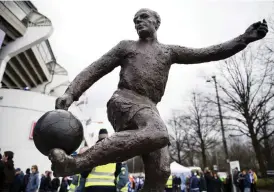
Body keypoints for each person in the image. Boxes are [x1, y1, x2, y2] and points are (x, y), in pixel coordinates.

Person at [49, 8, 268, 191]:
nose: (138, 22)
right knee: (159, 133)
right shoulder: (126, 47)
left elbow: (207, 52)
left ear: (157, 22)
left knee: (161, 171)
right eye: (135, 20)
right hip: (124, 100)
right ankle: (73, 164)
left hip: (149, 107)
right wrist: (71, 93)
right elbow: (95, 69)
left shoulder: (168, 52)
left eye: (143, 17)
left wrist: (243, 39)